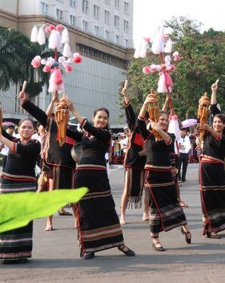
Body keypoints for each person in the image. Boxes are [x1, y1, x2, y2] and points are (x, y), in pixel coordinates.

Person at [57, 96, 135, 260]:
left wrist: (72, 108)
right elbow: (60, 128)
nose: (102, 120)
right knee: (86, 212)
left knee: (107, 208)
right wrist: (57, 114)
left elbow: (89, 127)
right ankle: (89, 247)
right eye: (99, 117)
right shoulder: (84, 136)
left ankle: (119, 243)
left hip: (99, 177)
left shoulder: (106, 134)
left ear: (107, 121)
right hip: (82, 177)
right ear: (94, 118)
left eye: (104, 118)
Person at [136, 93, 191, 251]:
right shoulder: (148, 136)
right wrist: (146, 103)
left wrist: (159, 129)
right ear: (155, 120)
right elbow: (140, 121)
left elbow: (167, 141)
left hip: (166, 174)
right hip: (152, 174)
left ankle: (184, 227)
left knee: (173, 201)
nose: (164, 122)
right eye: (161, 119)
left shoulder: (170, 135)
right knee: (155, 206)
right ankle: (155, 239)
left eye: (166, 120)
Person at [20, 91, 75, 231]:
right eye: (59, 110)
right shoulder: (50, 124)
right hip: (51, 166)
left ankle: (77, 219)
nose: (62, 113)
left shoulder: (72, 131)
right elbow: (39, 114)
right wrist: (26, 102)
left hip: (69, 166)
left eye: (65, 110)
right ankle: (49, 222)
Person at [0, 119, 41, 263]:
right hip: (8, 184)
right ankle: (4, 253)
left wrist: (1, 138)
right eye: (23, 127)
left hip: (25, 186)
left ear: (34, 131)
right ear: (18, 129)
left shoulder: (35, 144)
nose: (26, 130)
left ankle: (21, 253)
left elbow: (19, 150)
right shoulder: (13, 140)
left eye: (29, 128)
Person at [199, 113, 225, 238]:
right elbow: (203, 116)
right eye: (214, 122)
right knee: (207, 197)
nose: (216, 124)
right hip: (205, 168)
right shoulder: (206, 133)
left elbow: (220, 138)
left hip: (218, 168)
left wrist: (209, 129)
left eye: (220, 122)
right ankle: (211, 228)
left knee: (221, 196)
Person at [119, 83, 144, 225]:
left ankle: (146, 212)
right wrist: (126, 95)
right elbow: (129, 112)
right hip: (132, 160)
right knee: (127, 188)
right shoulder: (134, 125)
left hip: (146, 161)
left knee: (145, 188)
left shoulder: (152, 129)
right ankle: (122, 215)